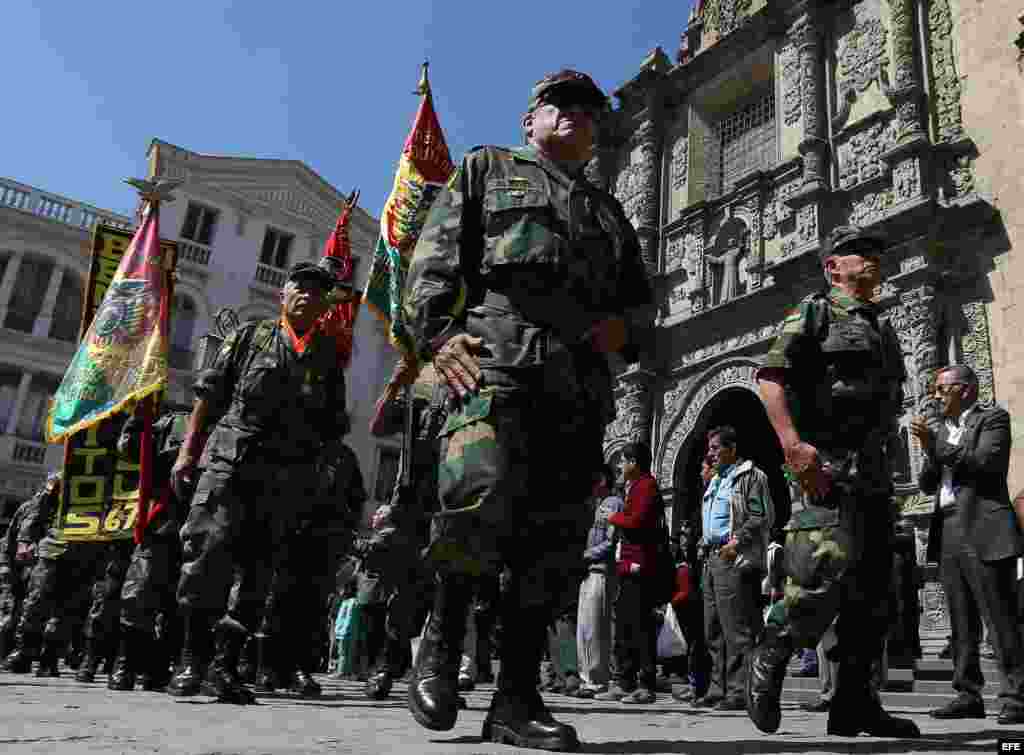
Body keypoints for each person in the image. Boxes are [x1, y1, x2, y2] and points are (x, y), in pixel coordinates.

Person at [402, 68, 653, 751]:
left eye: (589, 110)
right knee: (474, 493)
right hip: (495, 355)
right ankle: (442, 644)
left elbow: (639, 302)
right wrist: (437, 334)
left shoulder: (610, 212)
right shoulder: (489, 169)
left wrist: (623, 333)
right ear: (530, 118)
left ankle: (516, 698)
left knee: (552, 543)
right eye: (560, 103)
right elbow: (431, 259)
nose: (576, 115)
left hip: (575, 383)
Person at [747, 224, 919, 738]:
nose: (871, 261)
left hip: (873, 474)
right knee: (818, 577)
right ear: (833, 267)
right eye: (859, 254)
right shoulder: (816, 312)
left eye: (875, 254)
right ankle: (771, 651)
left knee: (873, 594)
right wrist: (794, 448)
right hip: (827, 466)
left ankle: (855, 703)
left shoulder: (882, 328)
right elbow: (770, 380)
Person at [167, 259, 349, 704]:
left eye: (318, 290)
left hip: (288, 476)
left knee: (258, 574)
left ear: (326, 303)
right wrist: (190, 451)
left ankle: (225, 666)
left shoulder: (328, 354)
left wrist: (321, 476)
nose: (308, 294)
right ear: (284, 294)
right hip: (233, 463)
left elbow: (332, 425)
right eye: (300, 286)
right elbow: (211, 395)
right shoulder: (251, 335)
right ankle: (191, 659)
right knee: (207, 557)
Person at [911, 364, 1024, 724]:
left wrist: (937, 446)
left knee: (999, 617)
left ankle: (1016, 696)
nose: (936, 396)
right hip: (948, 528)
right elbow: (928, 484)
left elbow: (985, 465)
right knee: (961, 620)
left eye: (943, 390)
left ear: (965, 389)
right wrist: (930, 449)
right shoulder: (943, 428)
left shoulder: (993, 420)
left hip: (984, 526)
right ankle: (967, 692)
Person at [107, 410, 192, 691]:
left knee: (181, 601)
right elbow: (131, 451)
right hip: (164, 521)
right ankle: (126, 663)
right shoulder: (174, 421)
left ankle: (159, 667)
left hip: (202, 526)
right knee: (139, 593)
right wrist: (137, 420)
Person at [695, 425, 773, 711]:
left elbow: (759, 516)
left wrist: (736, 543)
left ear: (732, 448)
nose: (710, 454)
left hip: (733, 556)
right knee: (712, 628)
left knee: (735, 628)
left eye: (716, 448)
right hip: (712, 557)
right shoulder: (716, 480)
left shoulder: (749, 477)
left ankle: (740, 691)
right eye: (710, 448)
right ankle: (718, 688)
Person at [596, 442, 663, 705]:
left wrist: (612, 518)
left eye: (623, 461)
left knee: (641, 626)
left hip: (641, 566)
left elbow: (637, 522)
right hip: (627, 565)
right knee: (624, 624)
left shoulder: (647, 485)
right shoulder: (632, 487)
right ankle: (624, 681)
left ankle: (645, 684)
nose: (620, 467)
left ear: (634, 462)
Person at [576, 465, 622, 698]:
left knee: (596, 628)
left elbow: (611, 542)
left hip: (601, 570)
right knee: (584, 628)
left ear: (602, 479)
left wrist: (586, 555)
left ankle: (597, 679)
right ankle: (587, 679)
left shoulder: (613, 504)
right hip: (586, 571)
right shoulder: (594, 505)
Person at [0, 476, 55, 660]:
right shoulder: (27, 508)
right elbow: (9, 540)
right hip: (20, 571)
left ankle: (25, 653)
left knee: (33, 615)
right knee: (11, 616)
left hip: (41, 574)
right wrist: (5, 566)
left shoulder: (60, 514)